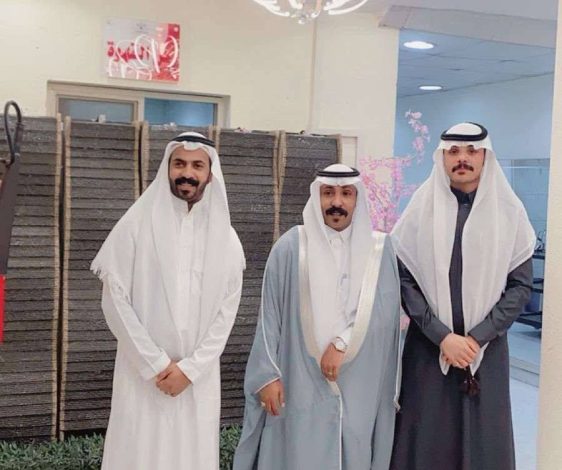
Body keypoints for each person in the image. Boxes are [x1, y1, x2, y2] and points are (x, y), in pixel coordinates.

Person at [91, 132, 245, 469]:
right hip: (142, 376)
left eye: (197, 165)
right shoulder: (136, 225)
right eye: (179, 164)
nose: (187, 173)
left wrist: (190, 369)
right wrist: (156, 364)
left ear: (210, 174)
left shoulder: (227, 238)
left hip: (197, 381)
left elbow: (226, 314)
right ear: (167, 169)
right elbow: (115, 301)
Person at [234, 164, 401, 470]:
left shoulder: (379, 250)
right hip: (298, 377)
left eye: (346, 193)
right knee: (297, 452)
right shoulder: (291, 247)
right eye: (328, 193)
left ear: (357, 199)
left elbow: (385, 314)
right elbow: (269, 316)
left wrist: (342, 343)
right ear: (317, 197)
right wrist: (267, 375)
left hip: (358, 380)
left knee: (353, 447)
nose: (336, 202)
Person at [390, 122, 535, 470]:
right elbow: (404, 280)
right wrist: (443, 337)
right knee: (425, 438)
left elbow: (520, 287)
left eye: (472, 151)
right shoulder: (421, 209)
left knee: (484, 441)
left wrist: (475, 338)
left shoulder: (509, 213)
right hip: (429, 348)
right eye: (453, 151)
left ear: (486, 156)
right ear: (442, 158)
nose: (462, 159)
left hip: (486, 350)